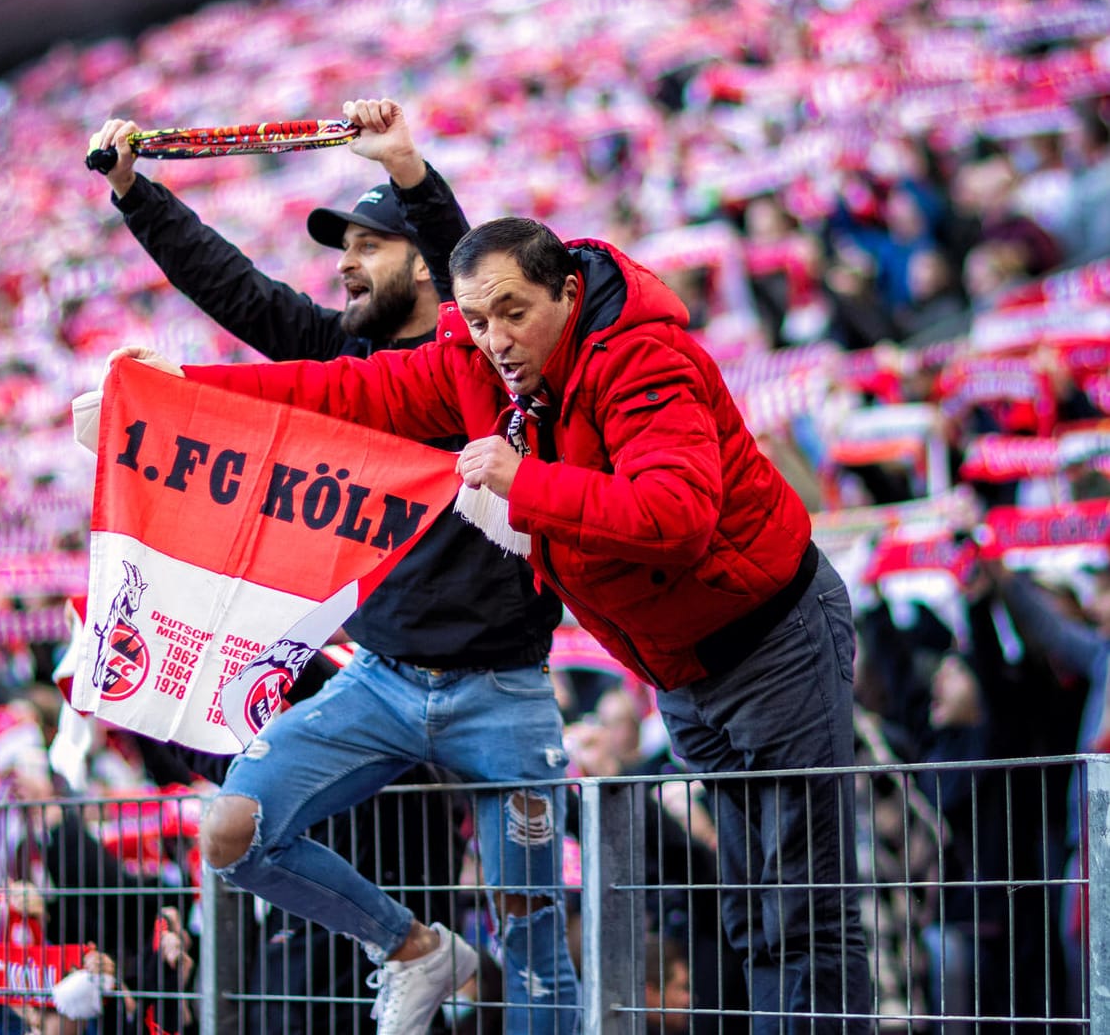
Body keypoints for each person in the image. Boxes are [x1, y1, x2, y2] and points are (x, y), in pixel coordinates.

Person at [115, 216, 873, 1035]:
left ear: (568, 293)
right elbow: (344, 391)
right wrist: (185, 390)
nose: (496, 339)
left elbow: (678, 514)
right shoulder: (473, 367)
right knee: (753, 910)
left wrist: (526, 482)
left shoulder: (642, 359)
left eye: (514, 312)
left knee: (804, 907)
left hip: (773, 640)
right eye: (478, 320)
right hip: (684, 671)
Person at [88, 103, 576, 1034]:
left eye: (367, 247)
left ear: (432, 273)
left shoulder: (488, 363)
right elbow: (242, 295)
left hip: (504, 693)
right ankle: (416, 951)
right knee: (230, 830)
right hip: (382, 684)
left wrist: (410, 174)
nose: (345, 266)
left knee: (536, 942)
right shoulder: (344, 363)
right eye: (342, 249)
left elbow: (465, 246)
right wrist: (134, 195)